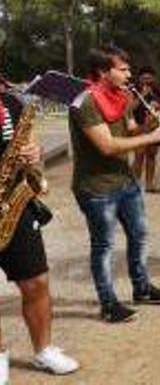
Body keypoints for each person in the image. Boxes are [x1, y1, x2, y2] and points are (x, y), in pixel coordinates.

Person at [69, 46, 160, 323]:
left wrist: (150, 126)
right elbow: (108, 146)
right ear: (103, 72)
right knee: (103, 245)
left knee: (140, 235)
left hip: (125, 181)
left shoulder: (124, 96)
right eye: (123, 69)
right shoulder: (86, 103)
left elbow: (129, 131)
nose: (130, 73)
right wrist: (151, 138)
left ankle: (141, 289)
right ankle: (108, 304)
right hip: (96, 188)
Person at [0, 85, 79, 375]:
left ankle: (43, 350)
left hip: (15, 204)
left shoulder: (12, 103)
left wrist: (35, 153)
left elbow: (35, 153)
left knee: (36, 282)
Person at [131, 67, 160, 193]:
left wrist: (159, 107)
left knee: (151, 156)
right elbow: (130, 109)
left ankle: (149, 185)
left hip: (154, 128)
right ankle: (134, 186)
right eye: (144, 78)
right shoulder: (133, 91)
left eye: (149, 78)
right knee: (139, 156)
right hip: (139, 128)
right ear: (139, 79)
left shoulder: (157, 91)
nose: (147, 81)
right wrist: (142, 96)